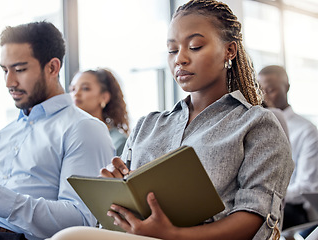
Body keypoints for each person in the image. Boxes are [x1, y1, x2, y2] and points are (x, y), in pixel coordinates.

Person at [49, 1, 294, 239]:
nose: (180, 59)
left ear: (229, 50)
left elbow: (255, 218)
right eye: (172, 50)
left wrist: (173, 235)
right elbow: (118, 214)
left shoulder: (258, 124)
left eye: (195, 46)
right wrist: (114, 191)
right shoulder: (148, 125)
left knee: (68, 237)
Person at [0, 21, 114, 240]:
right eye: (4, 70)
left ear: (52, 67)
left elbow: (81, 222)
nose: (9, 82)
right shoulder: (2, 135)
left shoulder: (83, 129)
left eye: (19, 69)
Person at [258, 65, 318, 230]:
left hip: (294, 209)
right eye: (260, 89)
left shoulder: (306, 131)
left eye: (271, 89)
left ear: (287, 88)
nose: (264, 95)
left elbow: (306, 187)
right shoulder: (256, 126)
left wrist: (270, 197)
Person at [70, 68, 129, 156]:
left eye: (85, 88)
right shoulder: (70, 137)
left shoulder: (118, 142)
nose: (76, 94)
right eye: (73, 89)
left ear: (104, 97)